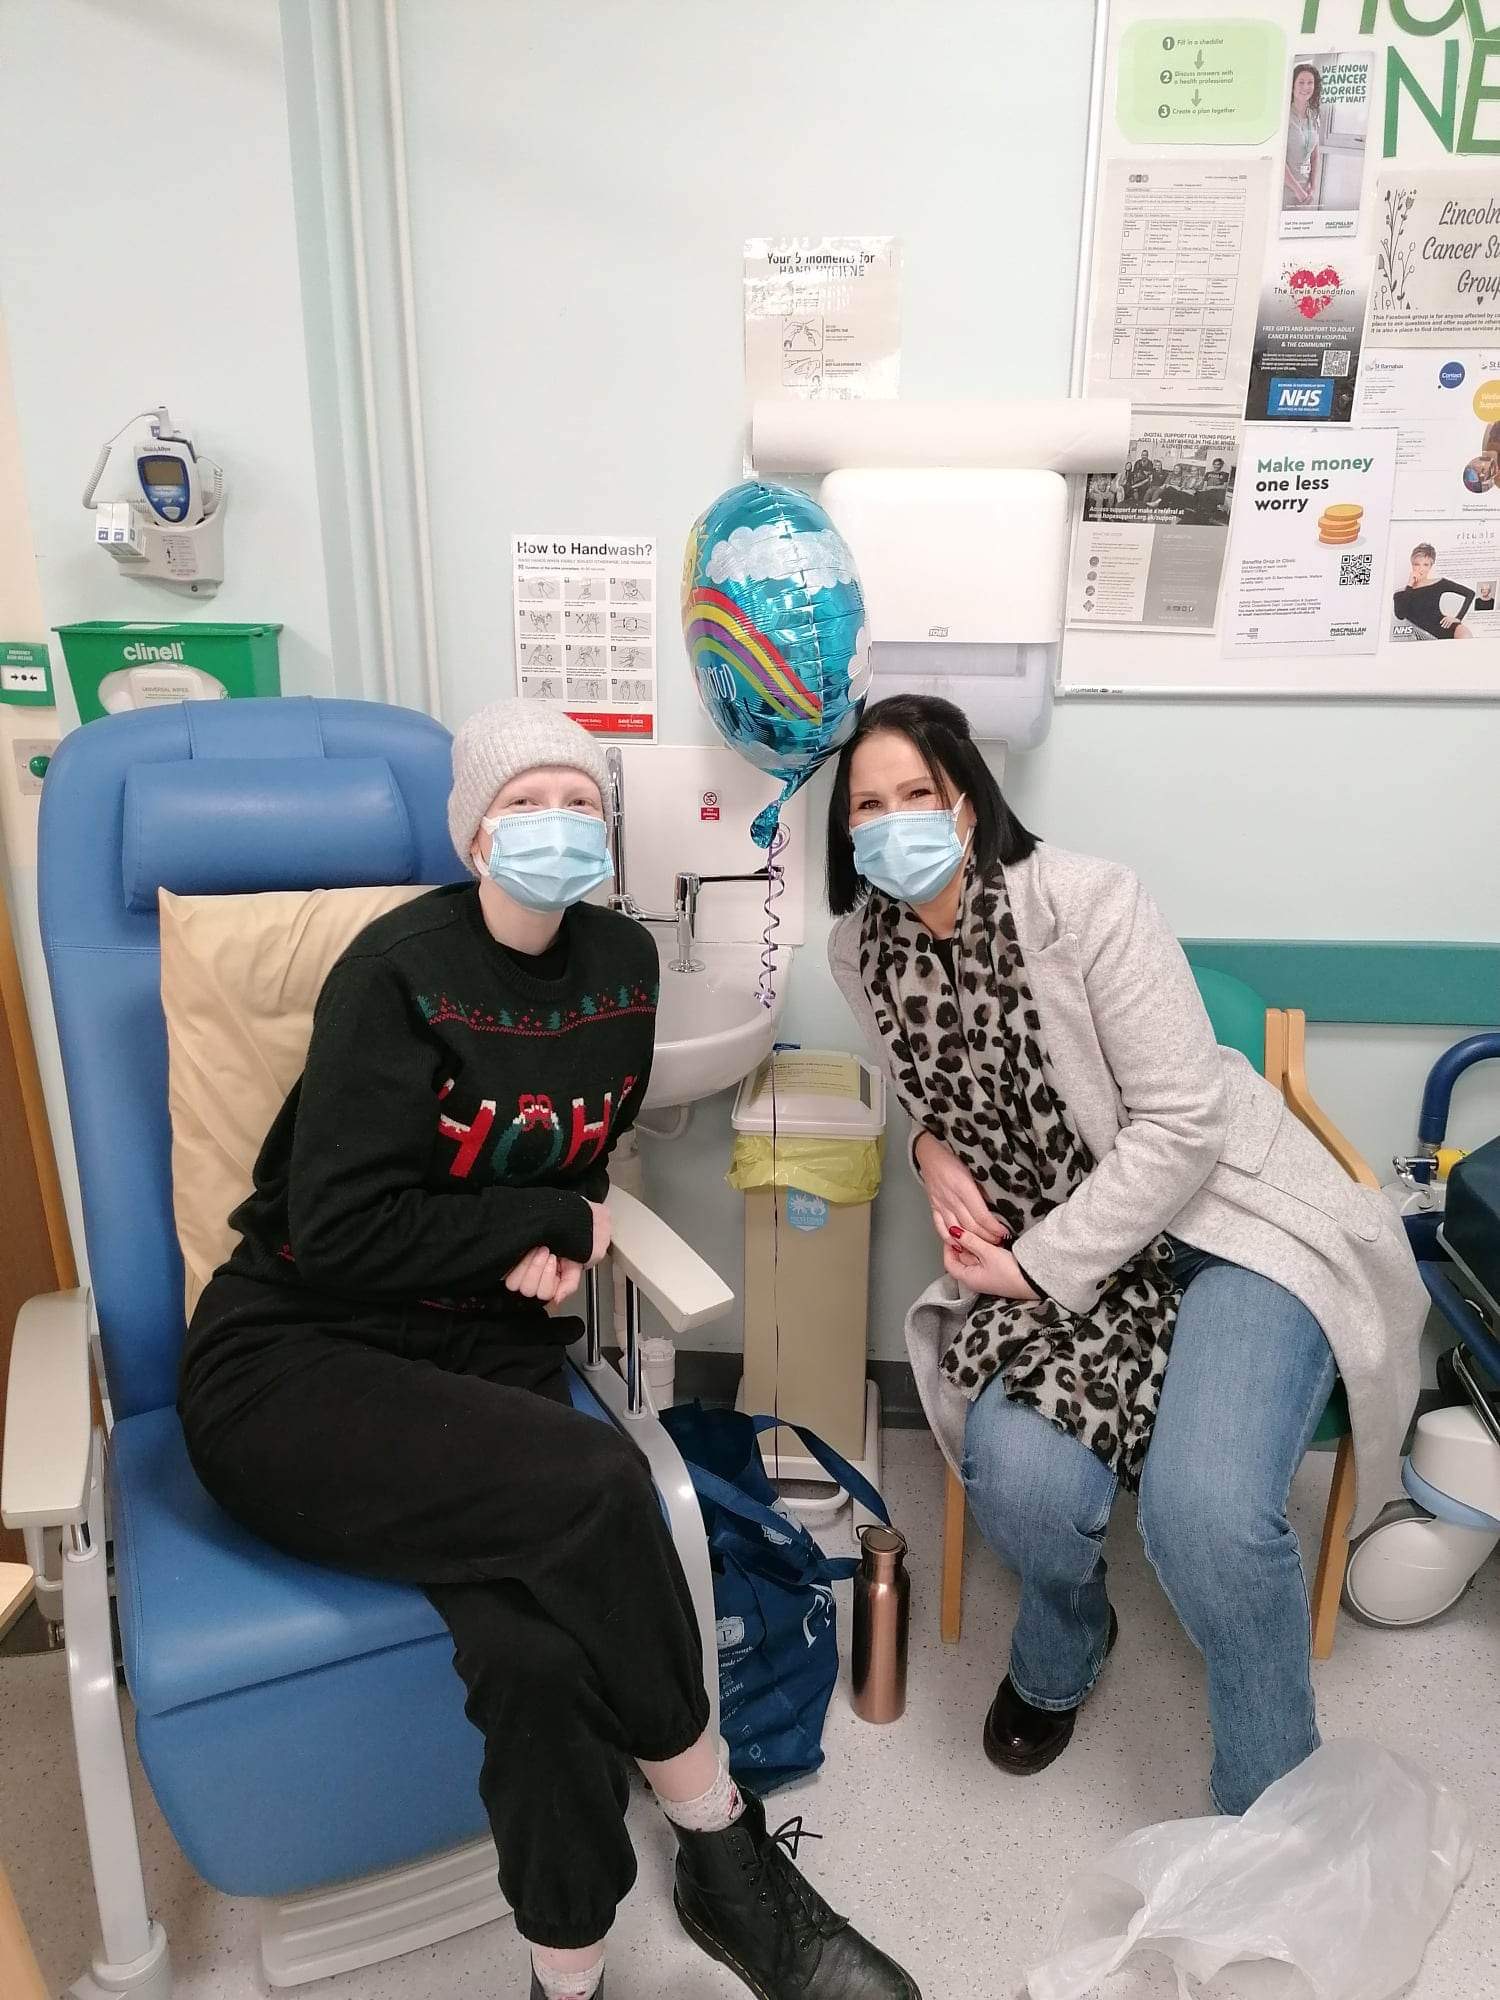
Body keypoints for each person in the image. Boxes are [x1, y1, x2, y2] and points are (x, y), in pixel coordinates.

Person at [178, 701, 919, 2000]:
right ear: (475, 833)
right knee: (599, 1487)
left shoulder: (621, 968)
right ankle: (725, 1847)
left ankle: (562, 1980)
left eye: (582, 801)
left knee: (541, 1660)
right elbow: (341, 1232)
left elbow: (585, 1153)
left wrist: (561, 1233)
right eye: (528, 804)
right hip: (301, 1362)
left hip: (484, 1355)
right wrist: (538, 1220)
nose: (559, 824)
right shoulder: (395, 973)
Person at [824, 694, 1424, 1816]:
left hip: (1219, 1230)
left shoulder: (1088, 902)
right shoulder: (860, 948)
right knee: (1022, 1476)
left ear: (967, 801)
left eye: (918, 793)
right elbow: (925, 1088)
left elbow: (1184, 1125)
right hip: (1068, 1263)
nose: (895, 819)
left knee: (1203, 1515)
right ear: (843, 832)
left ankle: (1267, 1801)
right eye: (868, 804)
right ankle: (1069, 1636)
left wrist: (1043, 1262)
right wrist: (923, 1148)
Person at [1393, 543, 1475, 639]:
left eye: (1426, 565)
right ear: (1412, 565)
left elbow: (1470, 593)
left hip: (1445, 628)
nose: (1421, 569)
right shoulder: (1400, 593)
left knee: (1466, 636)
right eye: (1417, 564)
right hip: (1424, 636)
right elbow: (1400, 615)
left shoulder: (1440, 583)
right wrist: (1410, 585)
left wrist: (1458, 618)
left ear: (1430, 566)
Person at [1284, 63, 1322, 208]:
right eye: (1301, 82)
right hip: (1286, 189)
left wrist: (1312, 186)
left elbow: (1315, 156)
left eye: (1310, 83)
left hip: (1306, 193)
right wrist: (1297, 190)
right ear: (1292, 85)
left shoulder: (1315, 115)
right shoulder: (1284, 115)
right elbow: (1279, 160)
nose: (1306, 87)